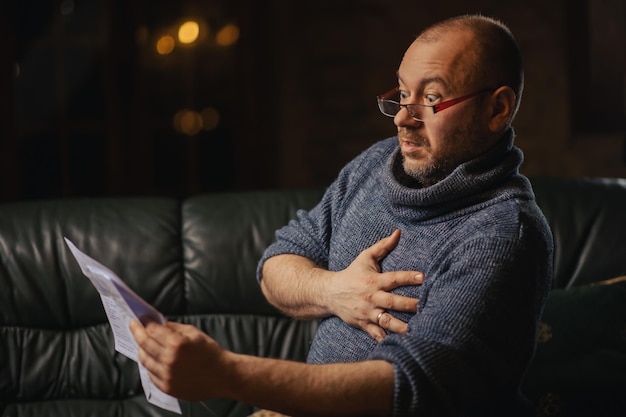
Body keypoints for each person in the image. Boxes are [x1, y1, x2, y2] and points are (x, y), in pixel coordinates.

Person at [130, 14, 553, 417]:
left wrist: (226, 374)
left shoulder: (503, 234)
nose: (404, 118)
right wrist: (336, 290)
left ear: (497, 109)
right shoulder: (374, 166)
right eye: (403, 94)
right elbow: (276, 264)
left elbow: (408, 389)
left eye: (432, 98)